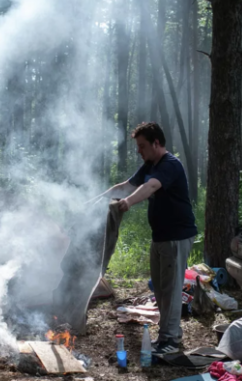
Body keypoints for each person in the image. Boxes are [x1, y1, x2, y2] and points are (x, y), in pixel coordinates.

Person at [100, 122, 197, 355]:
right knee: (161, 290)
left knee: (171, 289)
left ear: (156, 143)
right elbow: (127, 185)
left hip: (177, 237)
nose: (139, 151)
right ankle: (168, 336)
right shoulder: (149, 164)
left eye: (142, 146)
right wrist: (96, 201)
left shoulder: (170, 165)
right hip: (161, 237)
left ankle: (170, 341)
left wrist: (128, 203)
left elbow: (150, 186)